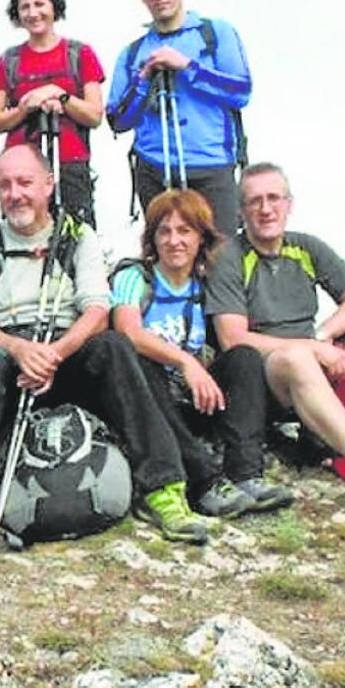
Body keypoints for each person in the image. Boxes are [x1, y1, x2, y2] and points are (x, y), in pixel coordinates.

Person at [0, 145, 216, 550]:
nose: (15, 194)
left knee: (114, 346)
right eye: (5, 185)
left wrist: (54, 354)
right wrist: (20, 350)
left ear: (49, 184)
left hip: (69, 351)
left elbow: (97, 310)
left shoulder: (78, 237)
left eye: (25, 183)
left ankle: (164, 491)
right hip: (11, 356)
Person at [205, 163, 345, 520]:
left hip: (314, 352)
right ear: (241, 211)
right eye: (255, 201)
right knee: (296, 358)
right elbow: (232, 338)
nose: (266, 209)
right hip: (270, 373)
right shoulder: (230, 257)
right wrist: (311, 348)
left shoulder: (305, 246)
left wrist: (323, 336)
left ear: (289, 204)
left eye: (274, 198)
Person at [111, 190, 293, 516]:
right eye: (164, 231)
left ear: (201, 238)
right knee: (141, 362)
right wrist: (184, 362)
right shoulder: (135, 277)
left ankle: (245, 473)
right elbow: (129, 333)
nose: (174, 241)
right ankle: (205, 482)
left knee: (244, 357)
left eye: (185, 231)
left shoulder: (205, 284)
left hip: (191, 398)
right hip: (148, 404)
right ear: (152, 238)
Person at [106, 0, 252, 237]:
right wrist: (144, 78)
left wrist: (187, 67)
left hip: (211, 166)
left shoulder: (215, 33)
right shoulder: (132, 53)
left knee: (220, 256)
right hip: (154, 171)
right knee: (165, 255)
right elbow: (117, 120)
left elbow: (241, 91)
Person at [0, 0, 106, 228]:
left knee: (76, 236)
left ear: (54, 6)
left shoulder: (80, 53)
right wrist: (24, 109)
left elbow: (95, 115)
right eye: (25, 7)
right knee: (23, 236)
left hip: (71, 164)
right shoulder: (9, 61)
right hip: (21, 170)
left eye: (39, 4)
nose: (33, 13)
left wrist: (59, 95)